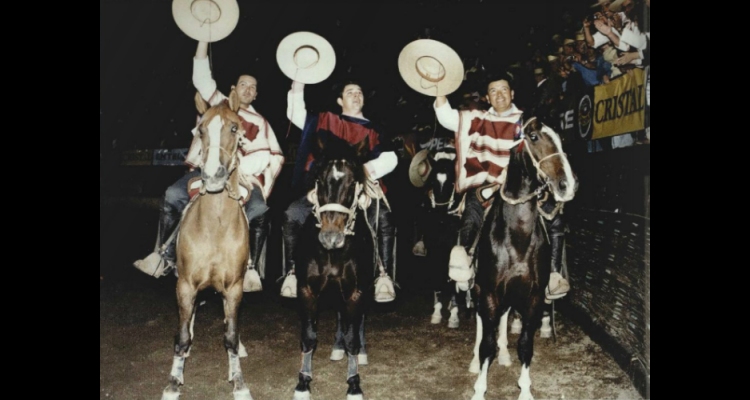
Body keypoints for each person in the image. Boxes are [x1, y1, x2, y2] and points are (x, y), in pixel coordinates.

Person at [133, 41, 285, 293]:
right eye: (244, 85)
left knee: (259, 208)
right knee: (173, 194)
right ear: (233, 89)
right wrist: (203, 39)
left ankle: (250, 268)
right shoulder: (219, 104)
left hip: (243, 176)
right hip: (209, 169)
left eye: (254, 87)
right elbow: (202, 78)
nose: (248, 89)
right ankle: (164, 255)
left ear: (256, 95)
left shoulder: (262, 122)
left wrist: (238, 167)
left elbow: (267, 156)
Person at [433, 71, 570, 301]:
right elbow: (447, 117)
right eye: (494, 91)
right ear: (487, 97)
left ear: (512, 93)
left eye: (504, 90)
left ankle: (554, 275)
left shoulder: (525, 121)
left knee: (554, 216)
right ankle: (464, 262)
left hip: (521, 185)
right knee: (473, 210)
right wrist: (439, 91)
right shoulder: (477, 119)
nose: (499, 95)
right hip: (486, 182)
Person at [280, 80, 398, 302]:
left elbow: (391, 158)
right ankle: (292, 272)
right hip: (324, 189)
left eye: (359, 92)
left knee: (384, 219)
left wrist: (362, 174)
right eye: (350, 92)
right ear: (340, 100)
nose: (356, 95)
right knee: (292, 214)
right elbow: (296, 114)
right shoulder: (326, 120)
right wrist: (298, 83)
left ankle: (384, 277)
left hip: (362, 187)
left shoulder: (374, 128)